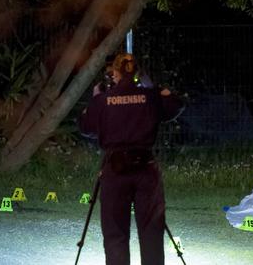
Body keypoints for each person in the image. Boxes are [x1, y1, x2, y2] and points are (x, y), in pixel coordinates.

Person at [79, 53, 184, 265]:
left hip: (115, 171)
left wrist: (96, 97)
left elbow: (85, 127)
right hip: (146, 170)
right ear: (138, 72)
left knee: (115, 233)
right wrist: (151, 86)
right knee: (152, 232)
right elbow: (176, 105)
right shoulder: (150, 97)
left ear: (114, 73)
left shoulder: (103, 100)